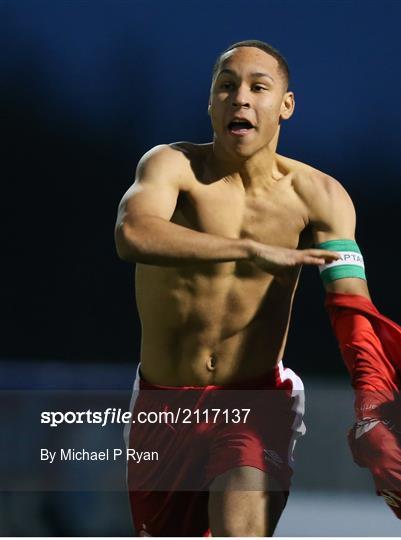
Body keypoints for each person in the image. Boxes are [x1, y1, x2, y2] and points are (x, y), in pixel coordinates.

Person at [115, 39, 370, 536]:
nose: (241, 99)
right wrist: (249, 250)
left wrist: (378, 397)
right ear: (210, 103)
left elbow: (353, 305)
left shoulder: (320, 194)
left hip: (255, 403)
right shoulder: (172, 165)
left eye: (259, 87)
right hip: (163, 404)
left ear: (286, 106)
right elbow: (132, 233)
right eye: (227, 87)